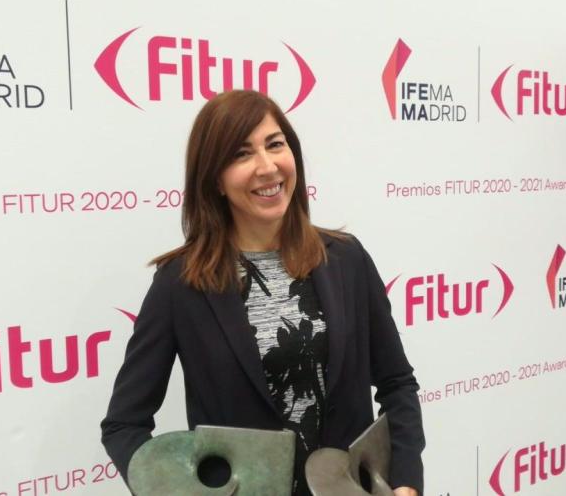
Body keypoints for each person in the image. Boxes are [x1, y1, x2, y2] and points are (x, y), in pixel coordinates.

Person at [101, 90, 425, 496]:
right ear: (215, 179)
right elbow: (124, 424)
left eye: (275, 145)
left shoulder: (346, 259)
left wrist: (405, 480)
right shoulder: (179, 284)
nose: (267, 167)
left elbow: (397, 383)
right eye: (241, 154)